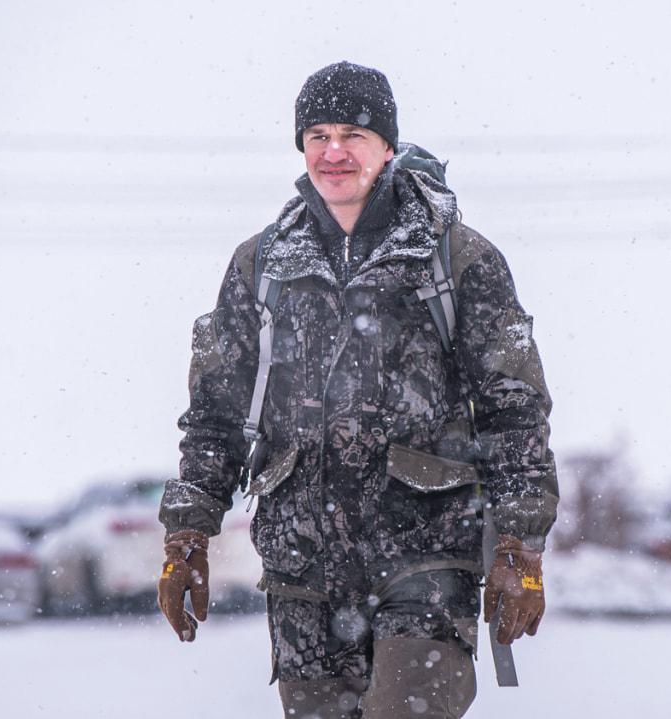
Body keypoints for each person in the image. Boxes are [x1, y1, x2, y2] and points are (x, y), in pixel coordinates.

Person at [158, 61, 558, 719]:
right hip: (301, 572)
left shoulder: (457, 259)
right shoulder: (258, 268)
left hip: (425, 554)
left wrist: (519, 541)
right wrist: (187, 533)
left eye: (353, 133)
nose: (334, 150)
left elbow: (514, 408)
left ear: (388, 148)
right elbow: (215, 415)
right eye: (317, 134)